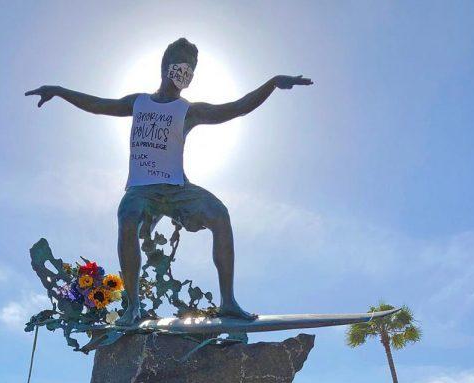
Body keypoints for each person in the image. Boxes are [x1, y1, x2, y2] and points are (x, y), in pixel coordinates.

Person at [26, 38, 312, 324]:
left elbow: (235, 108)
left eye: (191, 70)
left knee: (220, 214)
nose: (185, 75)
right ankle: (133, 307)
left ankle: (228, 302)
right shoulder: (138, 102)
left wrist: (271, 84)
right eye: (182, 67)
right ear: (165, 67)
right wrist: (60, 91)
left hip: (177, 189)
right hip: (141, 190)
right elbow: (98, 104)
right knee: (127, 218)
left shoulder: (189, 110)